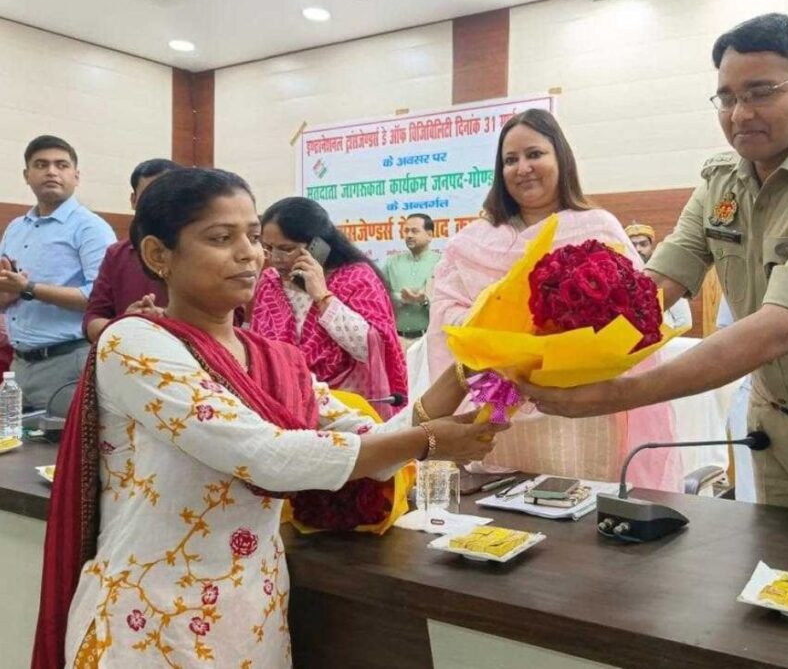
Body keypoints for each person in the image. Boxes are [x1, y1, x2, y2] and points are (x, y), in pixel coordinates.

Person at [32, 168, 506, 669]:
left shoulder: (275, 359)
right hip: (149, 622)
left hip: (250, 618)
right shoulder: (136, 344)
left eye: (254, 237)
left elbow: (376, 441)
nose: (250, 254)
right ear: (158, 255)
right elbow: (263, 456)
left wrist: (465, 369)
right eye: (221, 238)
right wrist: (428, 442)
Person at [521, 14, 788, 526]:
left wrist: (618, 395)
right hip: (773, 427)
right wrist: (559, 358)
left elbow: (780, 327)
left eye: (761, 92)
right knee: (783, 589)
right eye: (727, 97)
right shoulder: (721, 182)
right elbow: (652, 290)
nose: (741, 113)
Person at [427, 108, 680, 491]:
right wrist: (503, 338)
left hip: (580, 411)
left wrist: (565, 340)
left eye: (534, 154)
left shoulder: (598, 227)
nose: (522, 167)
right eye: (510, 160)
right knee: (503, 523)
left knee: (579, 519)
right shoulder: (473, 241)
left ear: (560, 157)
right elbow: (445, 312)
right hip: (500, 410)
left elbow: (635, 313)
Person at [251, 197, 407, 419]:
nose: (276, 259)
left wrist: (322, 297)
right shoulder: (270, 282)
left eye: (286, 249)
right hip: (283, 406)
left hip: (347, 409)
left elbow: (373, 349)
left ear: (318, 245)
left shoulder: (356, 278)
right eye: (268, 248)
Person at [0, 135, 116, 412]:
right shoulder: (16, 227)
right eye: (41, 165)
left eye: (61, 165)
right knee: (14, 448)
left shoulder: (90, 228)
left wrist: (29, 288)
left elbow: (102, 299)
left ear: (76, 176)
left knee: (61, 452)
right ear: (27, 176)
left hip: (68, 361)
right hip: (19, 364)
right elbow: (8, 289)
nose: (51, 171)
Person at [83, 158, 182, 342]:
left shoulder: (202, 251)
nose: (158, 205)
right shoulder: (116, 254)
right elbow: (92, 320)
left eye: (166, 196)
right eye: (148, 197)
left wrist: (168, 319)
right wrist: (125, 324)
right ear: (134, 201)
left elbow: (234, 318)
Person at [382, 213, 441, 349]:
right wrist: (400, 298)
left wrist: (424, 300)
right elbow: (378, 294)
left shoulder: (441, 263)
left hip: (429, 340)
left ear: (429, 235)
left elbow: (447, 302)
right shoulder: (392, 262)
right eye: (406, 231)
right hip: (398, 340)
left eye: (414, 231)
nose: (409, 235)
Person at [625, 222, 693, 331]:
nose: (638, 249)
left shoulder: (665, 273)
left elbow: (684, 322)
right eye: (633, 245)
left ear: (651, 246)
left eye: (643, 244)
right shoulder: (621, 276)